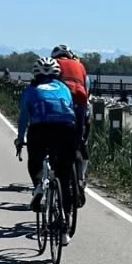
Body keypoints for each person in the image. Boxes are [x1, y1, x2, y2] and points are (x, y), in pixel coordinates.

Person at [15, 57, 80, 227]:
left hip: (40, 128)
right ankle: (65, 218)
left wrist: (20, 138)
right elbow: (72, 109)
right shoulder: (64, 88)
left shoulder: (31, 89)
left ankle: (38, 185)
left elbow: (24, 117)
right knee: (64, 175)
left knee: (35, 160)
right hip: (66, 128)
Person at [51, 44, 92, 202]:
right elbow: (87, 90)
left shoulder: (54, 65)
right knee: (80, 144)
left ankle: (56, 174)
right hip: (81, 107)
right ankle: (81, 179)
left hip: (60, 107)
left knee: (55, 143)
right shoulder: (80, 66)